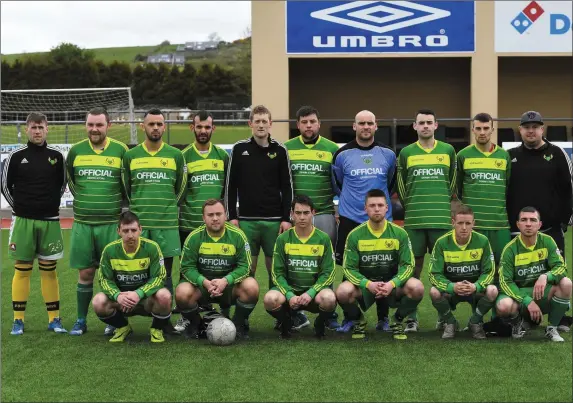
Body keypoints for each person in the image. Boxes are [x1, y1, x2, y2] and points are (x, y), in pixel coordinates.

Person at [224, 105, 294, 320]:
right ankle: (240, 319)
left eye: (265, 121)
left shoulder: (280, 151)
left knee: (276, 271)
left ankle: (282, 317)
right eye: (257, 121)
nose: (261, 125)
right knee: (247, 272)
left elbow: (288, 187)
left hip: (274, 222)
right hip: (246, 221)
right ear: (250, 124)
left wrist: (286, 218)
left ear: (270, 124)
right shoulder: (239, 149)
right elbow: (230, 186)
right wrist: (232, 217)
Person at [122, 108, 187, 334]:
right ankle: (122, 321)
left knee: (165, 274)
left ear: (164, 126)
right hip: (140, 226)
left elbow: (180, 188)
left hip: (166, 224)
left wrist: (166, 208)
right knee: (132, 271)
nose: (156, 128)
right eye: (151, 124)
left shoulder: (175, 155)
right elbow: (126, 188)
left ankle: (163, 320)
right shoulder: (131, 156)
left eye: (159, 124)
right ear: (143, 126)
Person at [1, 112, 67, 335]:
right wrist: (20, 208)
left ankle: (54, 319)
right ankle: (18, 320)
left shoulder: (57, 157)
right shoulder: (16, 156)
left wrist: (50, 206)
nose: (37, 131)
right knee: (22, 270)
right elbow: (5, 186)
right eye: (33, 127)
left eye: (41, 127)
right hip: (23, 221)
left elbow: (62, 184)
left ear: (47, 129)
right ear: (26, 130)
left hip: (50, 221)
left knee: (49, 271)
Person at [331, 109, 397, 333]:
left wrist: (376, 207)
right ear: (354, 126)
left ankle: (383, 318)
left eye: (370, 123)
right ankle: (352, 317)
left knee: (384, 268)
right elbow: (338, 182)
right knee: (348, 268)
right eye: (362, 123)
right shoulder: (342, 154)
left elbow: (390, 183)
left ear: (376, 126)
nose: (366, 127)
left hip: (381, 221)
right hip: (351, 220)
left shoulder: (387, 154)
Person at [66, 107, 129, 336]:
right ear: (85, 125)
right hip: (83, 223)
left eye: (99, 125)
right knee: (85, 274)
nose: (94, 129)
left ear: (108, 126)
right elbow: (72, 184)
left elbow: (126, 185)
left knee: (111, 274)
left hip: (111, 224)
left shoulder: (121, 150)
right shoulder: (75, 151)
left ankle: (113, 320)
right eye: (90, 124)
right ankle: (81, 320)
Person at [396, 108, 457, 332]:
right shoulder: (406, 153)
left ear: (436, 125)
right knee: (413, 269)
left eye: (429, 122)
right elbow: (401, 186)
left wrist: (442, 204)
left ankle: (444, 315)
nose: (425, 126)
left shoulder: (448, 150)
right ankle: (411, 317)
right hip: (414, 220)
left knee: (445, 270)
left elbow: (452, 183)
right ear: (415, 126)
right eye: (421, 123)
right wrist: (411, 206)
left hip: (441, 219)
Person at [335, 189, 424, 340]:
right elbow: (348, 269)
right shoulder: (355, 235)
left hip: (392, 286)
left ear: (387, 207)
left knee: (417, 287)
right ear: (366, 208)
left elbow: (408, 265)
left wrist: (392, 284)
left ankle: (397, 320)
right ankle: (359, 320)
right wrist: (368, 284)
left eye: (380, 205)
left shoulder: (400, 233)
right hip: (366, 287)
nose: (376, 209)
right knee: (342, 291)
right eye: (372, 205)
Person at [284, 106, 340, 330]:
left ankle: (329, 313)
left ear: (319, 124)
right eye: (304, 122)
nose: (308, 125)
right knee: (293, 263)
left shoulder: (332, 149)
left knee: (327, 264)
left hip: (324, 213)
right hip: (295, 216)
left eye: (312, 121)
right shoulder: (287, 148)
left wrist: (337, 211)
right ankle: (294, 314)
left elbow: (337, 183)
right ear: (297, 125)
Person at [175, 110, 229, 331]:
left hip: (216, 227)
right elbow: (179, 191)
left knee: (218, 266)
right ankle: (185, 315)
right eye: (199, 127)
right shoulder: (183, 156)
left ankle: (220, 312)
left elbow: (226, 190)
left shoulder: (223, 156)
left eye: (207, 127)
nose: (203, 131)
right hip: (189, 224)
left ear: (213, 129)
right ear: (192, 128)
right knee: (187, 271)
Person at [176, 199, 259, 340]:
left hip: (229, 287)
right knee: (182, 292)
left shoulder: (237, 235)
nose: (215, 218)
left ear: (225, 215)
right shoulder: (194, 237)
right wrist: (205, 282)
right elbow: (186, 267)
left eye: (218, 214)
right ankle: (197, 325)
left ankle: (238, 324)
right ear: (203, 218)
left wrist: (226, 280)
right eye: (210, 215)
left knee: (251, 287)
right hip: (202, 287)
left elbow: (245, 267)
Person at [264, 195, 337, 339]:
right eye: (298, 213)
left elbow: (328, 272)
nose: (302, 217)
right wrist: (290, 295)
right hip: (289, 295)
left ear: (313, 213)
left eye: (306, 213)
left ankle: (320, 323)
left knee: (329, 298)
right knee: (269, 299)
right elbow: (277, 273)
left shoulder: (323, 239)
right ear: (292, 214)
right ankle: (286, 322)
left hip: (313, 294)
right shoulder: (283, 239)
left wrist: (311, 292)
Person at [92, 211, 172, 343]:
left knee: (164, 296)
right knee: (98, 301)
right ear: (119, 231)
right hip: (121, 301)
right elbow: (104, 279)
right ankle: (123, 327)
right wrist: (118, 295)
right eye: (125, 231)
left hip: (146, 300)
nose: (130, 235)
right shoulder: (109, 250)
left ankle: (156, 329)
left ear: (140, 229)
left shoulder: (152, 247)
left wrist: (139, 294)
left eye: (134, 230)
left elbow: (159, 277)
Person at [495, 207, 571, 342]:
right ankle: (518, 323)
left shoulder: (548, 241)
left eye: (532, 220)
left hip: (542, 293)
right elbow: (505, 282)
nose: (528, 224)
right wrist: (527, 300)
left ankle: (551, 328)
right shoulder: (510, 249)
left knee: (566, 283)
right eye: (524, 220)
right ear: (518, 224)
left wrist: (546, 276)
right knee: (503, 305)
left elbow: (561, 267)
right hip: (520, 296)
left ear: (539, 224)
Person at [507, 110, 572, 256]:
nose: (531, 131)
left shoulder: (557, 154)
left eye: (535, 127)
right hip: (517, 230)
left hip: (551, 230)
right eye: (527, 127)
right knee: (521, 276)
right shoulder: (510, 156)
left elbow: (568, 189)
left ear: (542, 129)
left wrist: (563, 221)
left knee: (556, 275)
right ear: (520, 130)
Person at [428, 204, 498, 339]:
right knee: (434, 292)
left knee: (492, 290)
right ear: (453, 222)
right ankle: (450, 322)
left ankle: (475, 321)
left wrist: (476, 286)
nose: (464, 227)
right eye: (460, 223)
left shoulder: (483, 241)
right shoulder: (442, 242)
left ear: (473, 223)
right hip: (452, 289)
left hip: (474, 288)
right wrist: (451, 286)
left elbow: (489, 271)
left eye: (468, 223)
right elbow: (434, 274)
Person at [456, 113, 511, 264]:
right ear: (472, 130)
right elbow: (458, 189)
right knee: (473, 267)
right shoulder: (463, 155)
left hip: (499, 224)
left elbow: (507, 187)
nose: (482, 132)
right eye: (478, 128)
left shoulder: (504, 156)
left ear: (492, 129)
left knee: (502, 267)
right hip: (474, 225)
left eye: (486, 128)